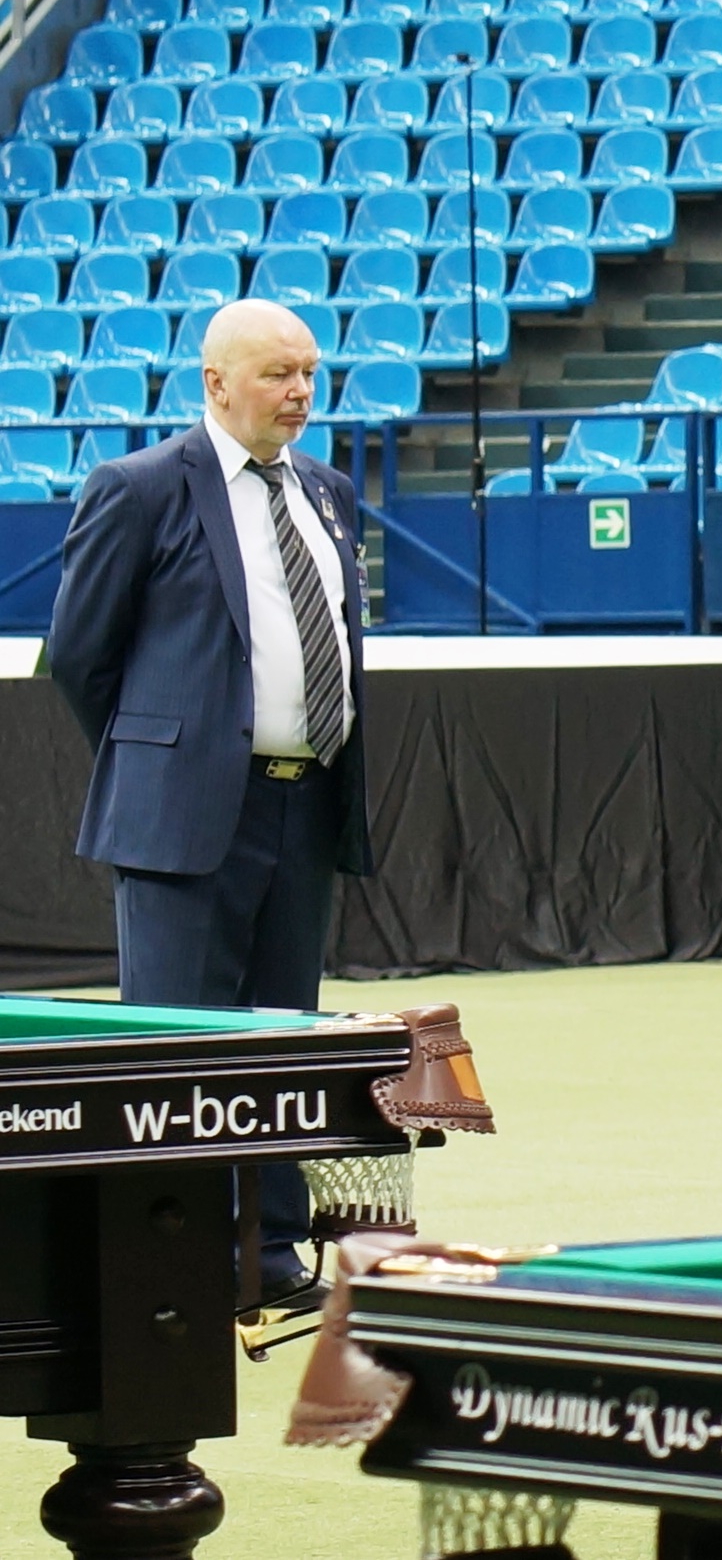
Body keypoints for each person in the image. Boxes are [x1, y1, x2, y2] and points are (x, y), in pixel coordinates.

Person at [45, 300, 369, 1309]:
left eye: (309, 372)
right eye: (278, 373)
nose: (300, 391)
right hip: (183, 815)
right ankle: (169, 1264)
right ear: (216, 382)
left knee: (281, 1040)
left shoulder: (328, 491)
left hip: (304, 806)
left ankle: (269, 1257)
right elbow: (81, 655)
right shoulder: (139, 488)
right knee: (176, 1050)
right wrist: (165, 760)